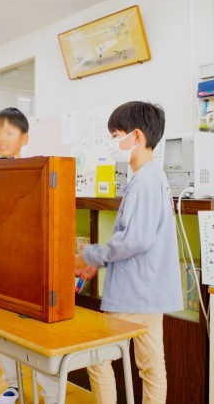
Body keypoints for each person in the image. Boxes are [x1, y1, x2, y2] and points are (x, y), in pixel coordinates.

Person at [75, 101, 182, 404]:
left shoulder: (144, 182)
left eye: (115, 135)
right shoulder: (153, 178)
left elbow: (134, 240)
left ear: (136, 136)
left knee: (97, 357)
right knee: (152, 365)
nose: (112, 143)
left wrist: (89, 256)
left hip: (135, 292)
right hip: (149, 290)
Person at [0, 107, 60, 404]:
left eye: (10, 132)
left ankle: (52, 394)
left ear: (25, 138)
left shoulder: (37, 171)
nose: (2, 139)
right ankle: (13, 384)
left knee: (33, 335)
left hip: (28, 265)